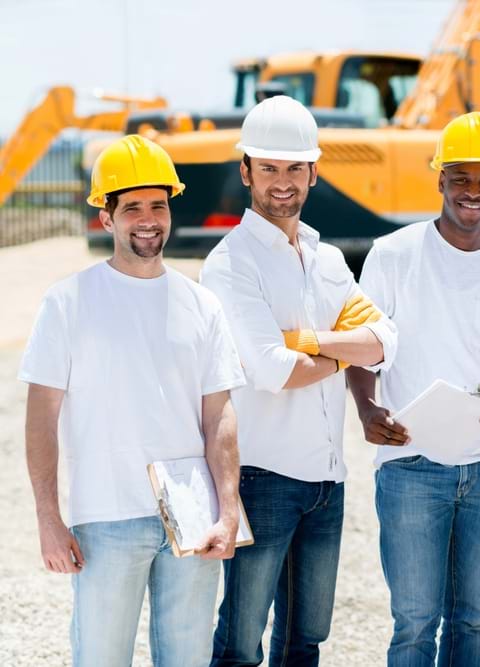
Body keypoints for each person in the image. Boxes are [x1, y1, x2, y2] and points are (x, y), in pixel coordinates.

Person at [19, 134, 246, 666]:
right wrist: (49, 520)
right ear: (107, 218)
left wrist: (228, 509)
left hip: (193, 514)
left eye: (159, 206)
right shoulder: (68, 302)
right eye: (133, 207)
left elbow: (220, 416)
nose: (149, 219)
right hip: (107, 516)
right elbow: (40, 420)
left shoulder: (202, 304)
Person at [201, 95, 398, 666]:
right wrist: (341, 349)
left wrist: (306, 341)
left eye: (293, 168)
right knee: (240, 644)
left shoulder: (327, 258)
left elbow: (387, 341)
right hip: (263, 477)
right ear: (246, 171)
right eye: (269, 168)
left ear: (313, 171)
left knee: (306, 641)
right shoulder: (231, 263)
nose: (282, 182)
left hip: (325, 480)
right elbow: (271, 370)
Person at [345, 111, 480, 667]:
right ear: (440, 180)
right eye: (461, 178)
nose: (473, 192)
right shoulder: (394, 255)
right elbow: (363, 348)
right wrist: (366, 406)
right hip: (410, 465)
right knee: (414, 624)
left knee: (471, 622)